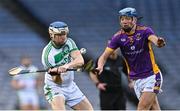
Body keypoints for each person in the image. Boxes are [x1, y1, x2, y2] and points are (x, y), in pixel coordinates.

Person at [95, 7, 166, 110]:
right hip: (136, 80)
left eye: (127, 18)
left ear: (134, 20)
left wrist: (158, 42)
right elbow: (104, 56)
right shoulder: (118, 37)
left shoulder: (145, 31)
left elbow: (154, 39)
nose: (124, 21)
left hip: (152, 76)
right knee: (154, 108)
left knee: (142, 108)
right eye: (122, 19)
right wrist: (100, 66)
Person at [41, 21, 93, 110]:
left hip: (70, 86)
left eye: (65, 34)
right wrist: (56, 73)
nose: (63, 37)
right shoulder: (47, 55)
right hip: (55, 88)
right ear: (52, 35)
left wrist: (67, 66)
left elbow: (80, 61)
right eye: (60, 35)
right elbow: (57, 81)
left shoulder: (69, 42)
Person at [89, 43, 127, 110]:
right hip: (106, 91)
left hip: (119, 90)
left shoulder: (121, 60)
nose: (112, 48)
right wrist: (97, 84)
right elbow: (92, 73)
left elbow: (128, 72)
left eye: (114, 46)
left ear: (118, 48)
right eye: (109, 46)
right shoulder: (102, 60)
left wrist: (131, 82)